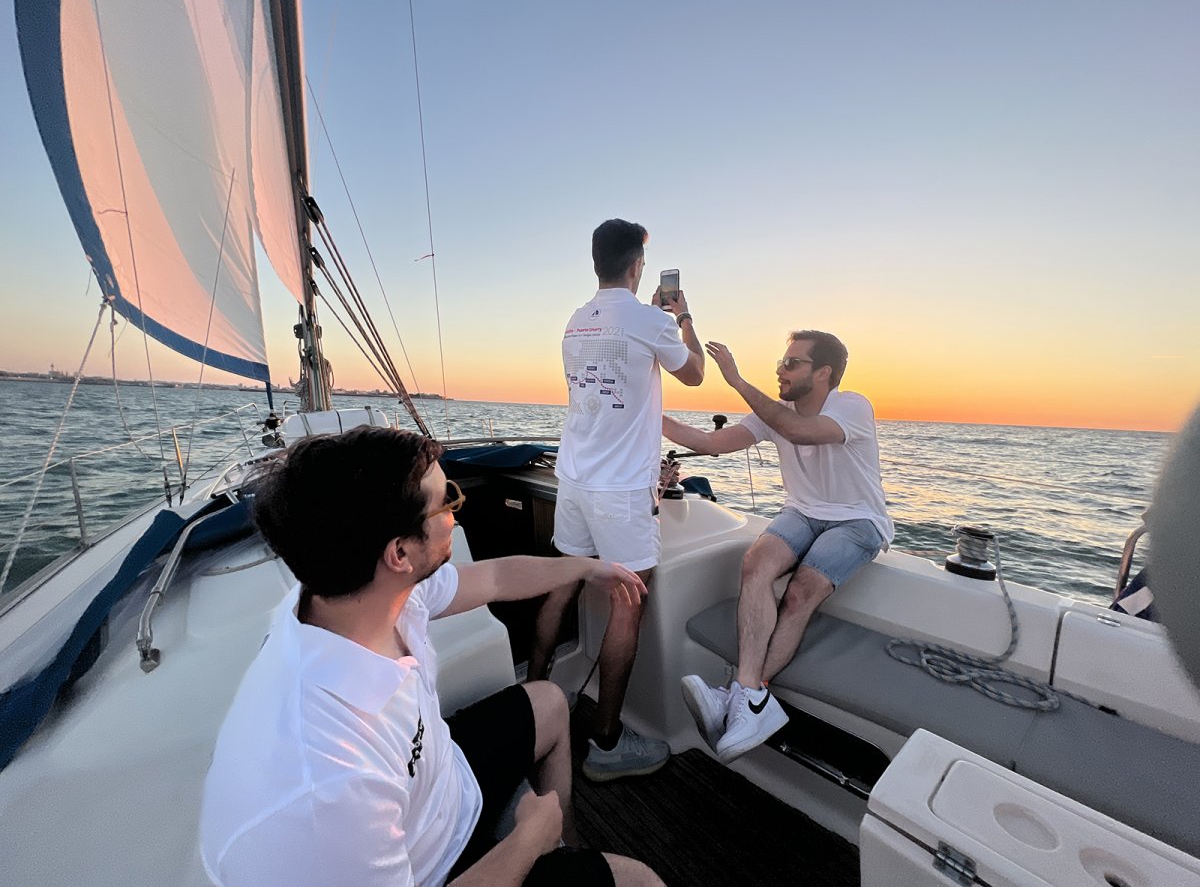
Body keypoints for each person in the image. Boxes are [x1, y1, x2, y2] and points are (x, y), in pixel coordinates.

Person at [199, 426, 663, 887]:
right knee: (641, 881)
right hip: (436, 867)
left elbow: (497, 578)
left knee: (549, 702)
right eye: (447, 503)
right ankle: (550, 852)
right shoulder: (327, 781)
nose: (457, 516)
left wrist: (586, 566)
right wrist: (530, 838)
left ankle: (566, 852)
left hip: (442, 788)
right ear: (399, 553)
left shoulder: (353, 595)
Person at [529, 218, 705, 782]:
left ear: (597, 262)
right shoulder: (652, 320)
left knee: (562, 582)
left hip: (574, 478)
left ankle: (532, 702)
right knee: (631, 601)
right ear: (636, 266)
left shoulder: (577, 320)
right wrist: (680, 316)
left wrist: (653, 316)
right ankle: (606, 744)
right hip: (622, 491)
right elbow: (696, 375)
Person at [664, 331, 892, 763]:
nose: (779, 370)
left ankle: (744, 696)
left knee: (801, 590)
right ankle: (747, 699)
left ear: (822, 373)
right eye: (781, 362)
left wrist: (737, 381)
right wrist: (648, 415)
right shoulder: (775, 413)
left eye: (791, 363)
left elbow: (802, 432)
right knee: (755, 564)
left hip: (858, 519)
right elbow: (712, 443)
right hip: (803, 511)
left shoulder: (852, 406)